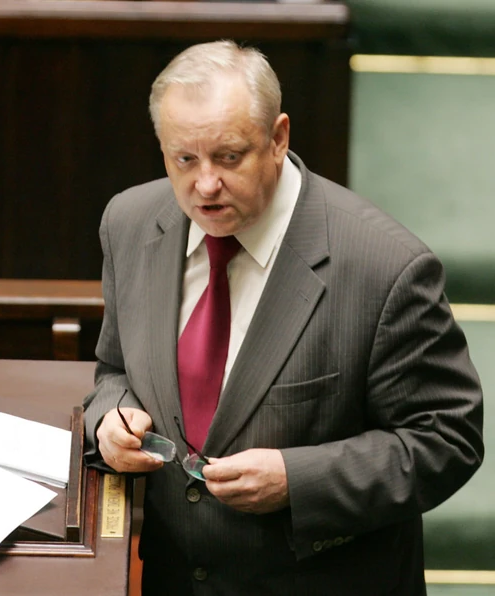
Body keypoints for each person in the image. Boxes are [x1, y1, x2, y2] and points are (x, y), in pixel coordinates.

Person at [82, 40, 484, 595]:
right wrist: (110, 422)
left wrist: (298, 481)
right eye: (184, 159)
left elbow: (446, 439)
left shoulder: (385, 268)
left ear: (278, 138)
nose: (205, 185)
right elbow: (114, 371)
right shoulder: (129, 222)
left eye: (229, 157)